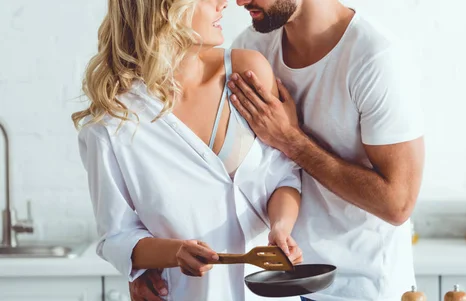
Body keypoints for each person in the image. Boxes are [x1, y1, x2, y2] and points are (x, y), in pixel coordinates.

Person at [133, 0, 426, 300]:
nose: (239, 1)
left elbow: (398, 204)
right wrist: (146, 263)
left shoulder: (375, 59)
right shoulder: (251, 49)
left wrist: (291, 140)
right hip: (279, 283)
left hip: (361, 288)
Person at [73, 0, 304, 300]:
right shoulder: (112, 123)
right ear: (165, 9)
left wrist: (281, 228)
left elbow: (283, 177)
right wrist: (174, 253)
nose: (225, 3)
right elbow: (116, 237)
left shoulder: (247, 72)